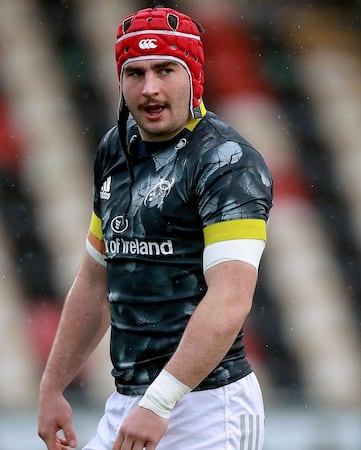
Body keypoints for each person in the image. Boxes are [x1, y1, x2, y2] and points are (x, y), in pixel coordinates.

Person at [37, 5, 273, 450]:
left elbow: (230, 301)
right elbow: (95, 280)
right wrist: (52, 386)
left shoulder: (228, 162)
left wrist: (159, 403)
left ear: (194, 75)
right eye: (135, 73)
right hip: (129, 404)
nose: (149, 88)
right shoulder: (116, 148)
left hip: (208, 411)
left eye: (165, 70)